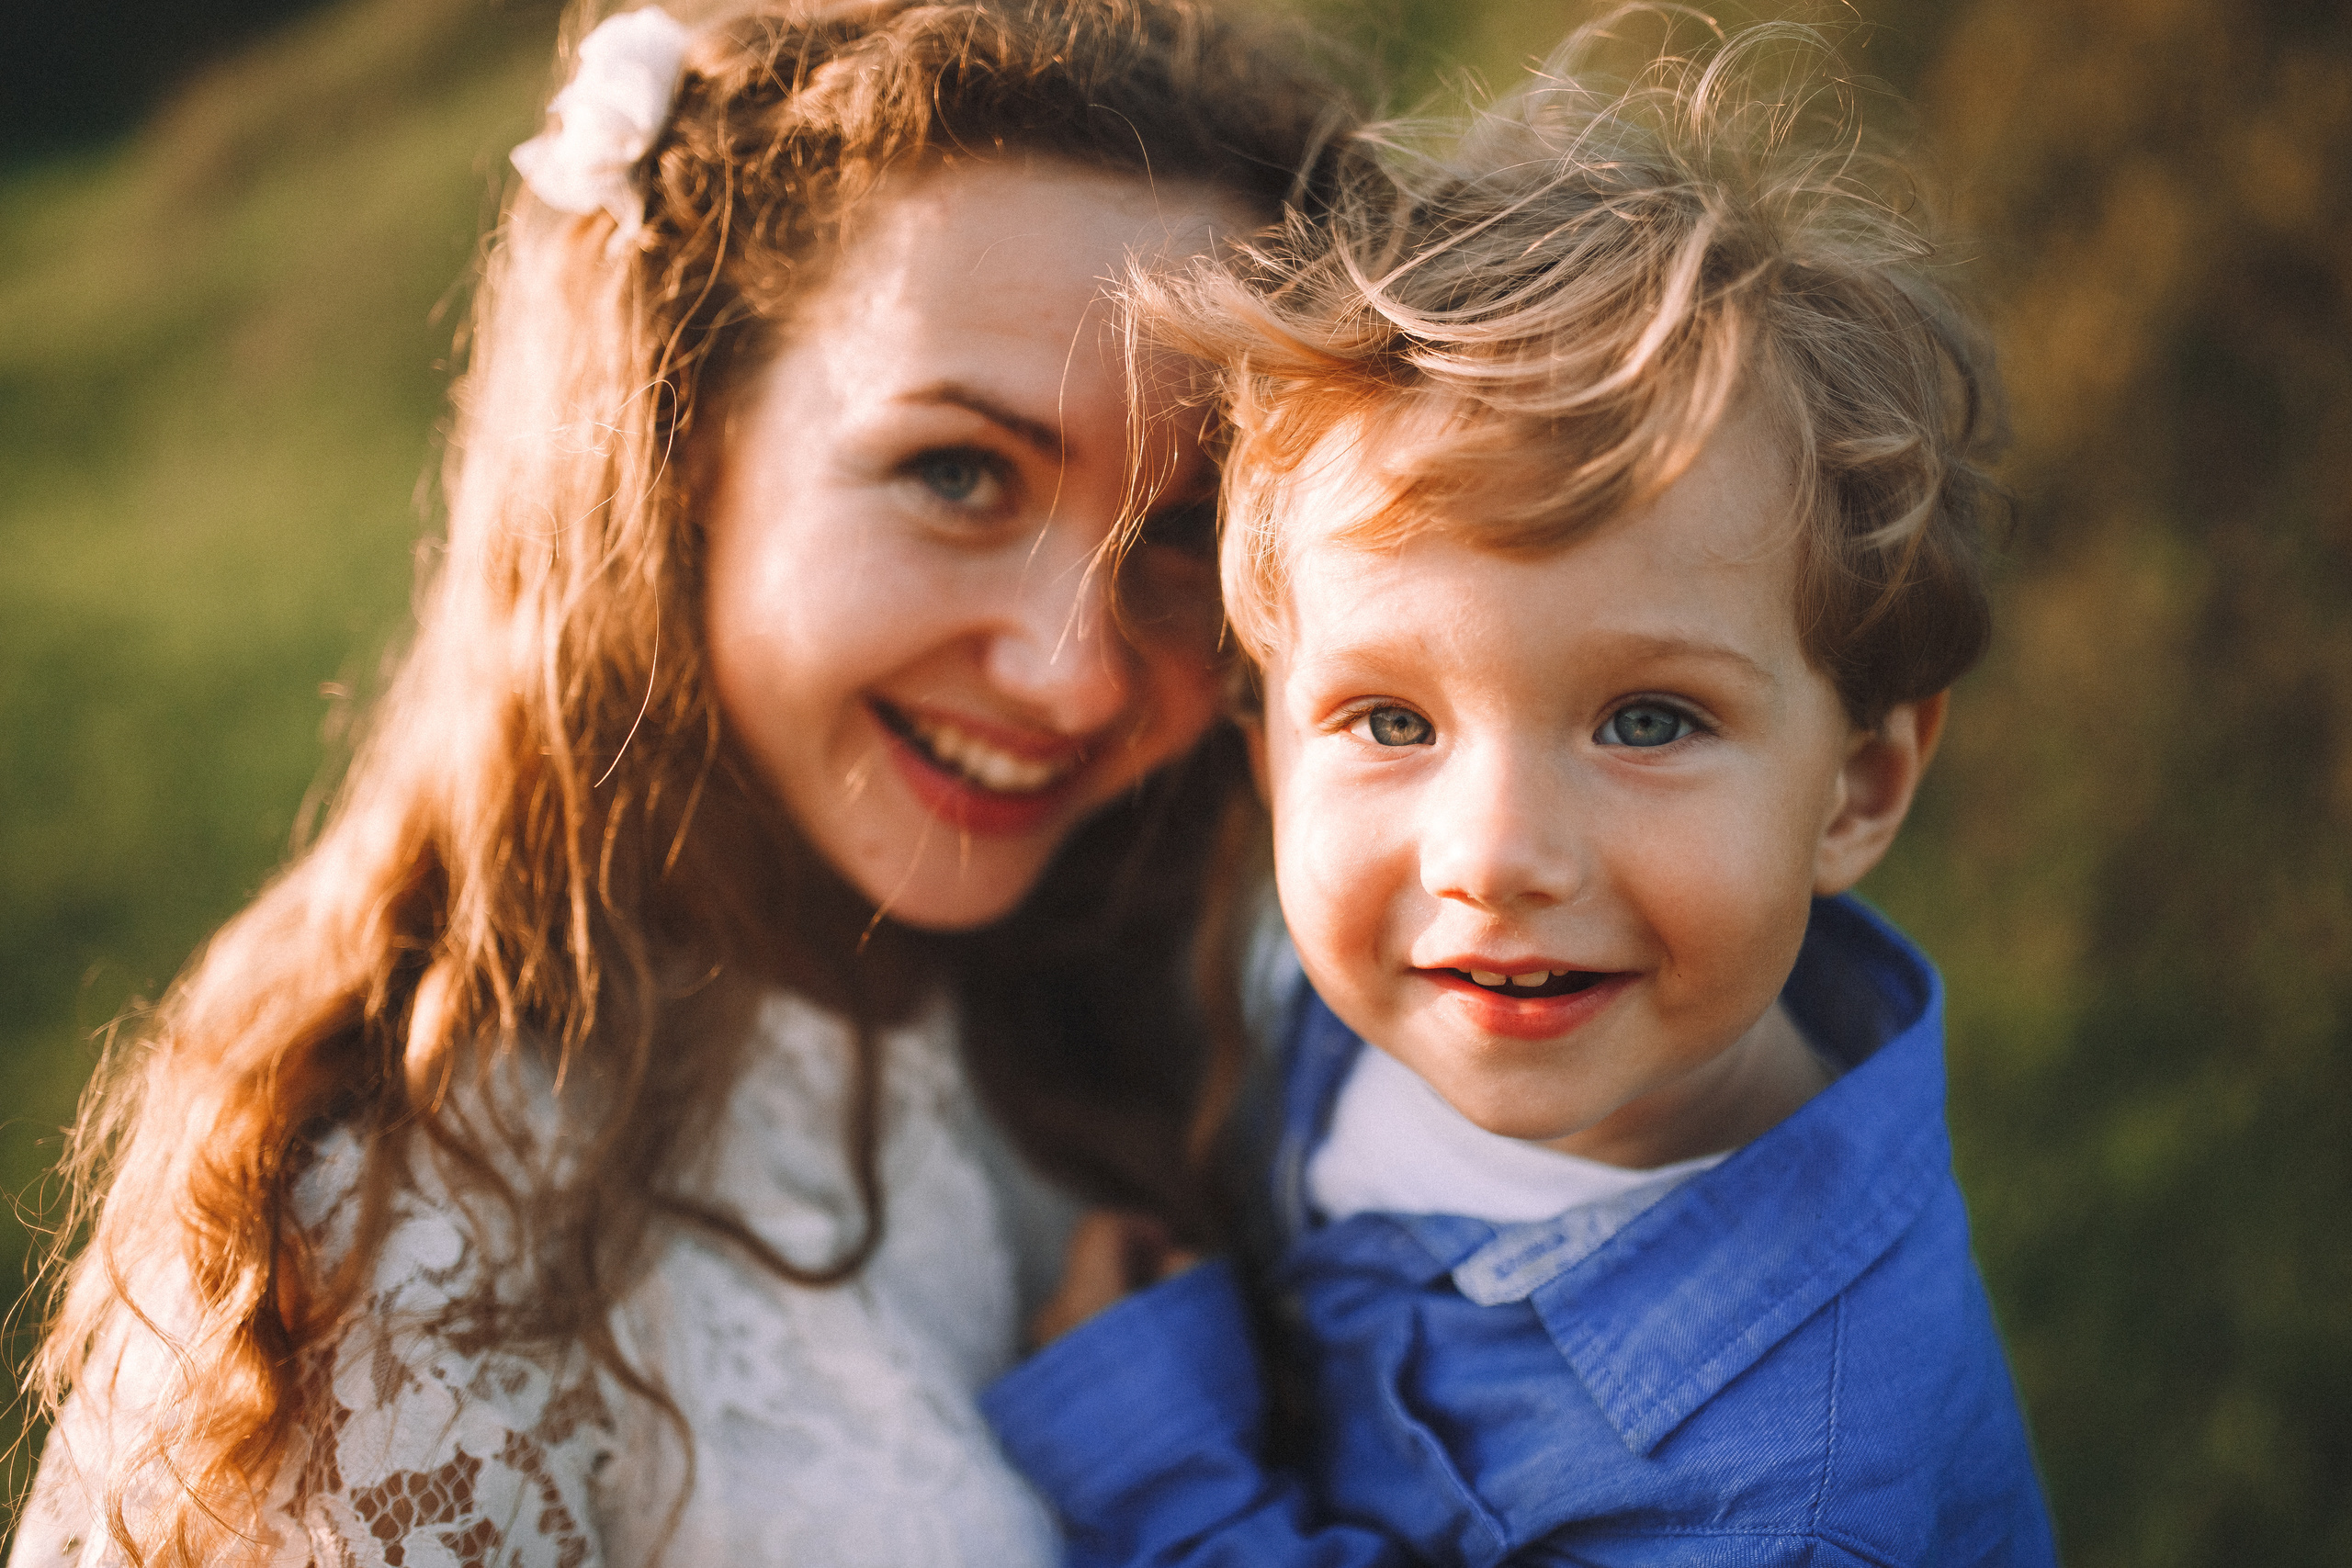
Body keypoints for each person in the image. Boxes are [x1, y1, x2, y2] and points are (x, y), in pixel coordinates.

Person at [9, 4, 1357, 1564]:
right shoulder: (399, 1224)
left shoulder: (1221, 1003)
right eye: (960, 474)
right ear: (690, 439)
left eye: (1187, 529)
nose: (1080, 674)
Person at [984, 17, 2061, 1566]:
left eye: (1644, 718)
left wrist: (1158, 1454)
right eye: (1386, 720)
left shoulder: (1784, 1499)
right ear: (1264, 739)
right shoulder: (1378, 980)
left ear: (1858, 785)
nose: (1491, 854)